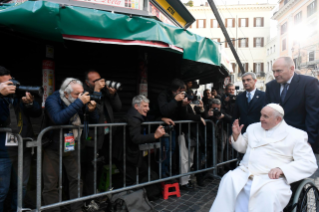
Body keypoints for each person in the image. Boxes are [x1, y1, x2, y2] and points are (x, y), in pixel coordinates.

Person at [210, 104, 317, 212]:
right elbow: (242, 148)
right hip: (245, 172)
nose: (261, 119)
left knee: (268, 192)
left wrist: (282, 170)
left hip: (271, 179)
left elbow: (309, 163)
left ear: (278, 119)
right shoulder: (253, 128)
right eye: (261, 115)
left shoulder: (296, 135)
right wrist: (237, 136)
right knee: (228, 179)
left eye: (265, 116)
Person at [43, 78, 99, 212]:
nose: (80, 96)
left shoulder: (77, 100)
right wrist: (80, 102)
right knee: (51, 182)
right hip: (52, 146)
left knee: (76, 179)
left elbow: (94, 120)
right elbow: (58, 119)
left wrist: (92, 110)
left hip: (71, 143)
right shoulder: (53, 100)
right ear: (66, 94)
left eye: (82, 93)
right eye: (76, 94)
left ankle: (76, 208)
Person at [0, 66, 42, 212]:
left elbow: (36, 112)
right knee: (2, 190)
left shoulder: (16, 96)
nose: (11, 85)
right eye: (7, 83)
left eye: (11, 81)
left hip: (21, 148)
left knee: (21, 187)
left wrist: (29, 103)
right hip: (2, 153)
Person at [265, 57, 319, 152]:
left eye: (279, 71)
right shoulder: (271, 86)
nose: (275, 75)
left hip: (300, 141)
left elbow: (313, 115)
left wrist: (309, 141)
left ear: (292, 69)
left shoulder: (308, 83)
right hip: (275, 142)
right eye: (273, 71)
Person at [82, 70, 122, 198]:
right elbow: (95, 113)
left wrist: (113, 94)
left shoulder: (105, 94)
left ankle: (99, 192)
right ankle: (89, 198)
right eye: (95, 81)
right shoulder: (85, 94)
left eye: (100, 79)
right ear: (87, 83)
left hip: (105, 136)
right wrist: (97, 92)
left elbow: (118, 107)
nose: (99, 82)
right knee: (90, 168)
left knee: (101, 165)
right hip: (91, 137)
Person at [121, 95, 166, 182]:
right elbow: (136, 138)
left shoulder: (136, 116)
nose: (148, 108)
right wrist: (155, 136)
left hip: (128, 152)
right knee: (134, 176)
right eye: (145, 106)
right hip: (125, 153)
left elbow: (150, 120)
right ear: (136, 106)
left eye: (148, 106)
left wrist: (161, 119)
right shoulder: (134, 118)